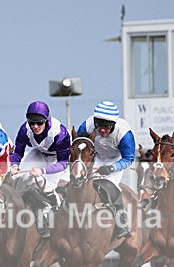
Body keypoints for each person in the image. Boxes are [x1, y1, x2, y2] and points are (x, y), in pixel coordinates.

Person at [10, 101, 71, 236]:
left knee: (46, 185)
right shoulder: (24, 129)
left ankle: (52, 208)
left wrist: (43, 171)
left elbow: (63, 163)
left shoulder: (60, 133)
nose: (35, 126)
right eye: (32, 123)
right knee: (18, 179)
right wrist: (14, 165)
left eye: (39, 123)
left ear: (47, 120)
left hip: (57, 159)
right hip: (38, 154)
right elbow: (18, 152)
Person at [77, 101, 135, 238]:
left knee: (109, 186)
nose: (102, 130)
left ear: (114, 125)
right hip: (95, 157)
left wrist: (111, 168)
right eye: (99, 126)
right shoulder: (87, 125)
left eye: (107, 127)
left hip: (115, 160)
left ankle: (121, 223)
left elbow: (129, 159)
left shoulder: (125, 134)